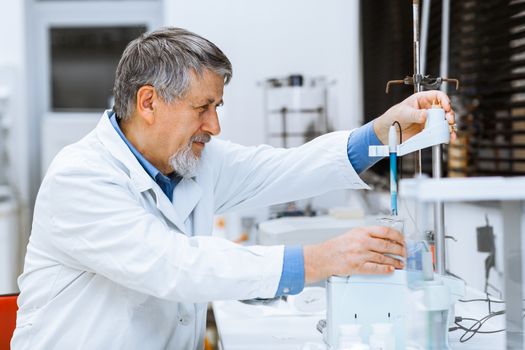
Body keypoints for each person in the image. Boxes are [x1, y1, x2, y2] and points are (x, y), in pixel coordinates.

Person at [12, 27, 455, 349]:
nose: (215, 126)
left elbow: (285, 168)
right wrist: (321, 259)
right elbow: (173, 264)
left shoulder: (191, 161)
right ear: (148, 102)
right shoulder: (81, 177)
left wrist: (386, 129)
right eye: (203, 108)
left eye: (217, 106)